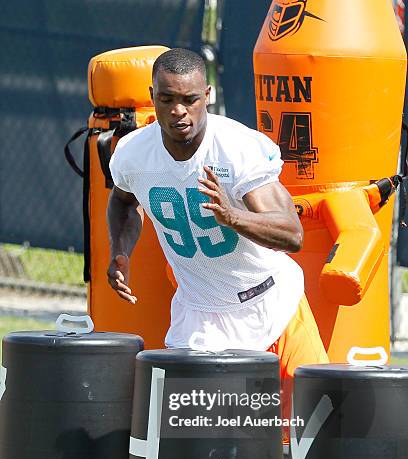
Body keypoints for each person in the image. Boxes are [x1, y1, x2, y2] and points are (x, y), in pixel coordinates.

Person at [107, 47, 328, 422]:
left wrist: (233, 216)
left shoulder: (235, 148)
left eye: (190, 99)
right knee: (202, 451)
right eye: (167, 99)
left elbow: (291, 233)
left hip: (273, 306)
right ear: (152, 96)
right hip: (200, 318)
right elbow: (124, 202)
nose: (179, 110)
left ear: (206, 96)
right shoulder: (133, 153)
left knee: (309, 436)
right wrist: (120, 250)